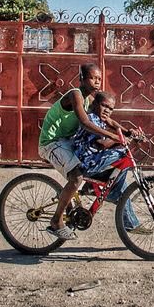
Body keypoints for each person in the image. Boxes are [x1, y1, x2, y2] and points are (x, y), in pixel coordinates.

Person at [38, 63, 136, 240]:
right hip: (51, 143)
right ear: (82, 79)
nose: (97, 81)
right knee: (76, 177)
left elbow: (107, 120)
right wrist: (113, 137)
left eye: (99, 78)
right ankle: (56, 222)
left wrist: (127, 131)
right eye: (93, 78)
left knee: (92, 167)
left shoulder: (90, 99)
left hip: (67, 142)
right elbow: (85, 123)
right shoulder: (75, 94)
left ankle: (92, 188)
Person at [72, 91, 150, 234]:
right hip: (87, 162)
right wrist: (118, 140)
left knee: (123, 186)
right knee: (122, 154)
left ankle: (131, 223)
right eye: (104, 106)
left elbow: (112, 123)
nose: (107, 110)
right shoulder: (91, 118)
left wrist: (129, 134)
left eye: (111, 108)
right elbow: (101, 143)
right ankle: (106, 191)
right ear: (95, 104)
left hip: (96, 160)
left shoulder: (100, 118)